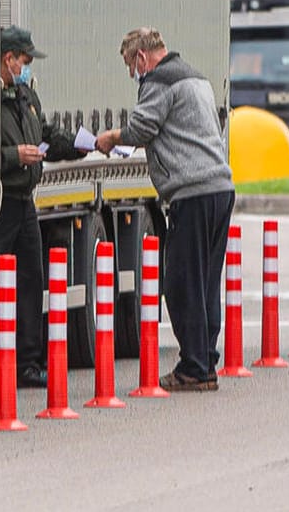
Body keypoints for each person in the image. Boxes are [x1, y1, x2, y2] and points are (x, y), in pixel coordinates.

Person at [95, 27, 234, 392]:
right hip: (219, 188)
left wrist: (112, 137)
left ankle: (194, 366)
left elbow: (143, 127)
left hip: (192, 192)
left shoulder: (159, 79)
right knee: (205, 283)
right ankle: (205, 360)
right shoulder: (195, 76)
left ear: (142, 57)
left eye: (130, 64)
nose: (132, 74)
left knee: (180, 282)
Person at [0, 25, 84, 388]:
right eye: (25, 61)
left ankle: (27, 363)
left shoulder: (27, 97)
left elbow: (45, 135)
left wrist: (79, 145)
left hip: (24, 202)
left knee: (31, 280)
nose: (28, 67)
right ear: (8, 59)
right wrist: (14, 156)